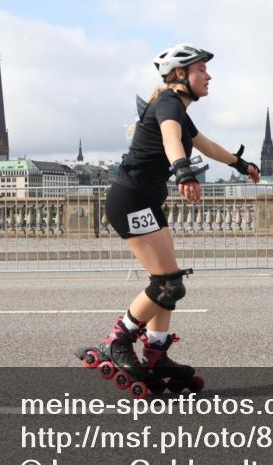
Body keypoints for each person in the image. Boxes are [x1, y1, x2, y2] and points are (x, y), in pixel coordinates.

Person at [95, 44, 259, 384]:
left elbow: (205, 144)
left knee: (169, 283)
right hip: (132, 200)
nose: (209, 75)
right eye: (202, 69)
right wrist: (183, 172)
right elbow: (172, 139)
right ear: (181, 74)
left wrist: (240, 164)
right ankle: (118, 340)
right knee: (168, 284)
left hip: (146, 201)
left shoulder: (179, 110)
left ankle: (156, 354)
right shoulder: (168, 103)